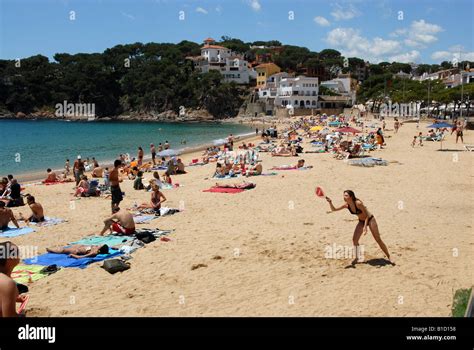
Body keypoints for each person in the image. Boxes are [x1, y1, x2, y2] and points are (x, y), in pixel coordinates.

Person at [325, 190, 391, 265]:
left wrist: (365, 227)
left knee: (378, 239)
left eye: (346, 195)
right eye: (344, 195)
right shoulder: (347, 205)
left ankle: (389, 256)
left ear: (351, 196)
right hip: (361, 221)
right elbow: (334, 209)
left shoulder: (358, 203)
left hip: (370, 219)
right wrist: (330, 202)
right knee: (354, 240)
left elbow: (366, 215)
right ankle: (357, 257)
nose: (344, 197)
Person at [0, 241, 27, 317]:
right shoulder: (7, 283)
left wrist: (14, 298)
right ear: (10, 258)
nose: (20, 255)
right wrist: (21, 315)